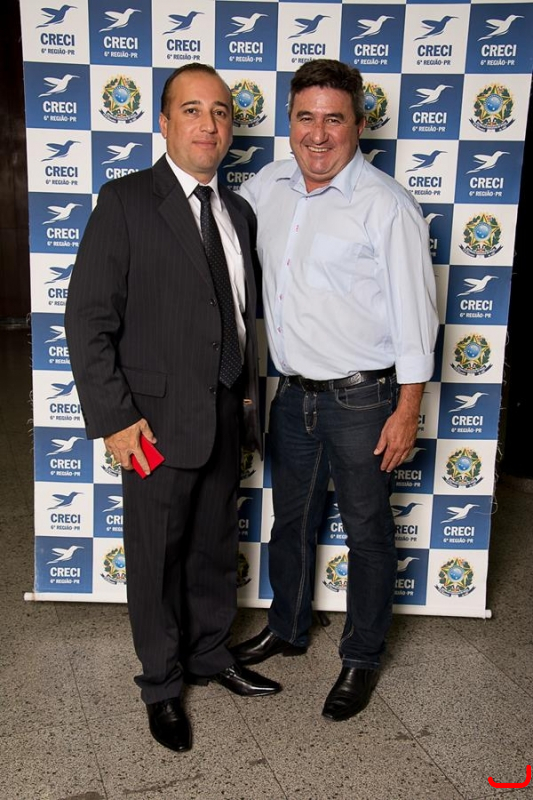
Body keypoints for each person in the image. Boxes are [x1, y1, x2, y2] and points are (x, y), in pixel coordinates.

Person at [65, 63, 281, 754]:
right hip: (151, 424)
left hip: (225, 412)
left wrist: (245, 399)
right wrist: (115, 419)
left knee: (214, 546)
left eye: (220, 112)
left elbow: (236, 316)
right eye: (192, 109)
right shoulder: (126, 200)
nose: (208, 125)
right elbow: (87, 320)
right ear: (164, 122)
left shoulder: (237, 212)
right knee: (156, 555)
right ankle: (161, 683)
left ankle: (210, 654)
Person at [232, 59, 439, 722]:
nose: (317, 133)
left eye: (333, 119)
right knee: (289, 523)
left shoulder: (385, 205)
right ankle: (288, 627)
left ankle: (361, 656)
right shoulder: (266, 186)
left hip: (364, 401)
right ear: (289, 120)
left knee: (367, 532)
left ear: (358, 124)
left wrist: (407, 409)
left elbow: (416, 317)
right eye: (305, 117)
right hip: (292, 395)